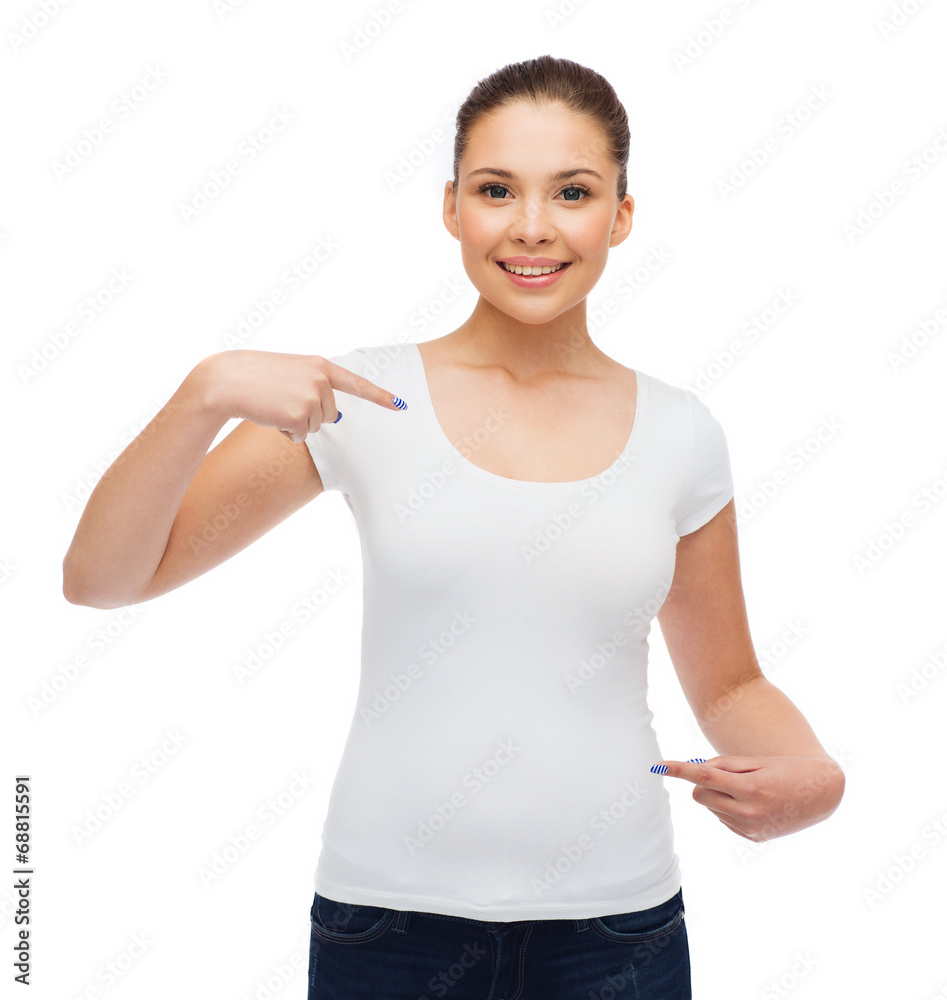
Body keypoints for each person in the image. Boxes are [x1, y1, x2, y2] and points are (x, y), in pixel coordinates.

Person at [63, 54, 845, 1000]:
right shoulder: (360, 400)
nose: (530, 225)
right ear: (450, 209)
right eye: (494, 189)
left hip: (617, 936)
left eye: (572, 192)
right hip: (387, 932)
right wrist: (200, 397)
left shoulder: (681, 431)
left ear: (620, 216)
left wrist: (815, 778)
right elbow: (103, 578)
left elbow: (729, 681)